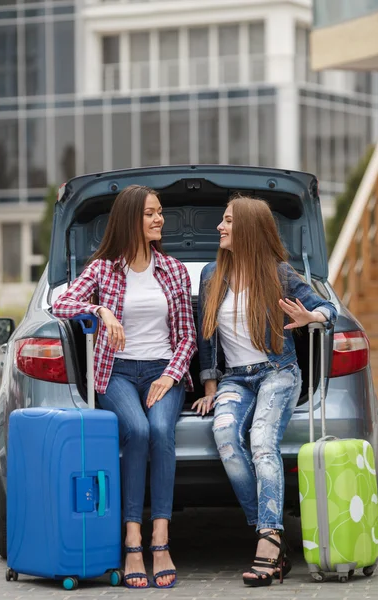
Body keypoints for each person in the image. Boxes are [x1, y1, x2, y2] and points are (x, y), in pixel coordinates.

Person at [53, 184, 197, 590]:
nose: (159, 219)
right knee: (135, 429)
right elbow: (60, 305)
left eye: (160, 212)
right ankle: (131, 537)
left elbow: (186, 336)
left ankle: (160, 538)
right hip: (115, 371)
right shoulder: (103, 270)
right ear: (130, 218)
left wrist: (171, 374)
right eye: (150, 213)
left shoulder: (173, 270)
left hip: (161, 370)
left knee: (160, 431)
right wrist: (99, 310)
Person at [192, 195, 337, 587]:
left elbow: (329, 309)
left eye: (227, 221)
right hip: (236, 378)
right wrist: (210, 385)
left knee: (261, 440)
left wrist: (311, 317)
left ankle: (268, 545)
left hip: (278, 372)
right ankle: (269, 532)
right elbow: (206, 338)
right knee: (223, 433)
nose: (220, 227)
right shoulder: (211, 274)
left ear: (250, 229)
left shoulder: (280, 273)